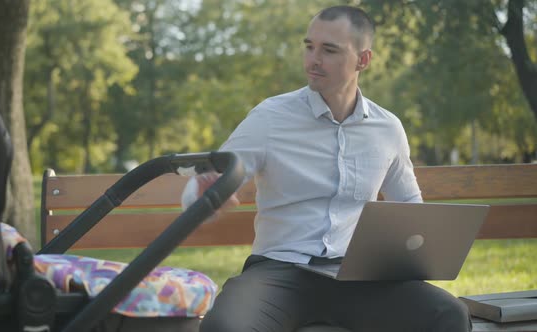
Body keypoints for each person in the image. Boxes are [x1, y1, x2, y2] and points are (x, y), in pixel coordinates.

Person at [182, 5, 471, 332]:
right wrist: (202, 195)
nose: (312, 60)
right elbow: (209, 186)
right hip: (278, 274)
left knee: (449, 314)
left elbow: (410, 208)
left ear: (363, 60)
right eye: (309, 47)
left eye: (329, 50)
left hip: (358, 280)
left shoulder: (387, 128)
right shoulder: (269, 117)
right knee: (226, 328)